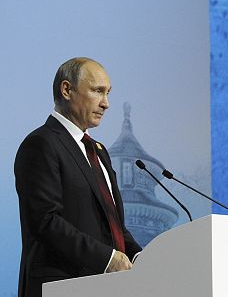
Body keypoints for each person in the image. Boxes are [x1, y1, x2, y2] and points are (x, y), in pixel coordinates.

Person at [15, 57, 142, 297]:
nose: (106, 103)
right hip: (61, 285)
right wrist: (107, 259)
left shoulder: (99, 152)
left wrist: (141, 258)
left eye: (108, 93)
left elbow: (114, 226)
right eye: (97, 91)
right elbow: (45, 221)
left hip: (107, 288)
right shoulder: (41, 143)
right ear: (66, 90)